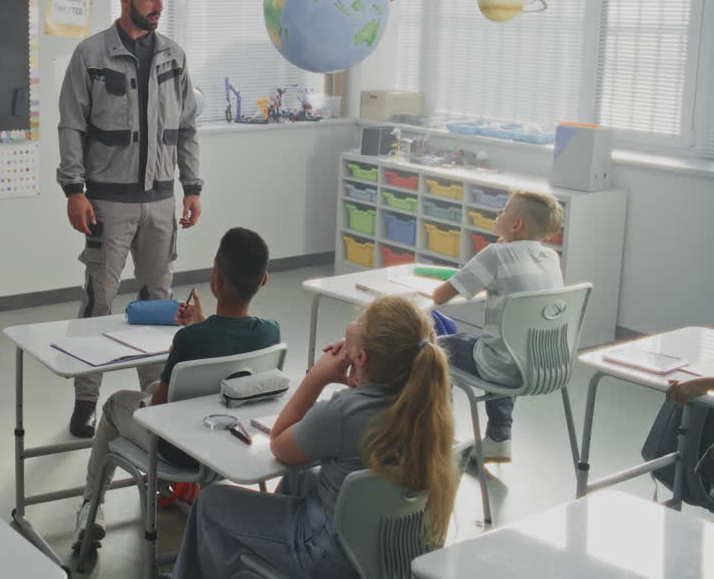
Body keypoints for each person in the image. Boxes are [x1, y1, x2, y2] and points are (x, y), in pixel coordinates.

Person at [172, 295, 457, 579]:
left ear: (362, 357)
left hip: (331, 557)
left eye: (360, 323)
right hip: (391, 549)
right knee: (303, 477)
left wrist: (317, 377)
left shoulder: (345, 412)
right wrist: (359, 359)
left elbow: (280, 445)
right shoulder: (434, 404)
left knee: (211, 502)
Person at [57, 0, 203, 438]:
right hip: (109, 203)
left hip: (161, 201)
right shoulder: (91, 56)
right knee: (99, 303)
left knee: (159, 302)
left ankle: (153, 398)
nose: (157, 4)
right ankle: (85, 400)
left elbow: (186, 128)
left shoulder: (175, 57)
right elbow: (71, 125)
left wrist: (192, 186)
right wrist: (73, 190)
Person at [72, 228, 279, 558]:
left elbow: (158, 410)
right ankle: (172, 491)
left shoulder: (191, 341)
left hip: (179, 450)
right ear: (264, 279)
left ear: (215, 278)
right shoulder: (270, 333)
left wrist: (194, 332)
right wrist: (200, 325)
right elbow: (227, 356)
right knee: (158, 386)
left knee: (114, 405)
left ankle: (89, 507)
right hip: (230, 445)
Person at [431, 189, 564, 463]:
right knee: (500, 344)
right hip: (543, 364)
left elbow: (440, 296)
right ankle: (499, 437)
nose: (498, 213)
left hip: (500, 366)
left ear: (516, 225)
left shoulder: (496, 255)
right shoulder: (552, 259)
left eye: (504, 209)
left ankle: (439, 435)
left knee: (433, 351)